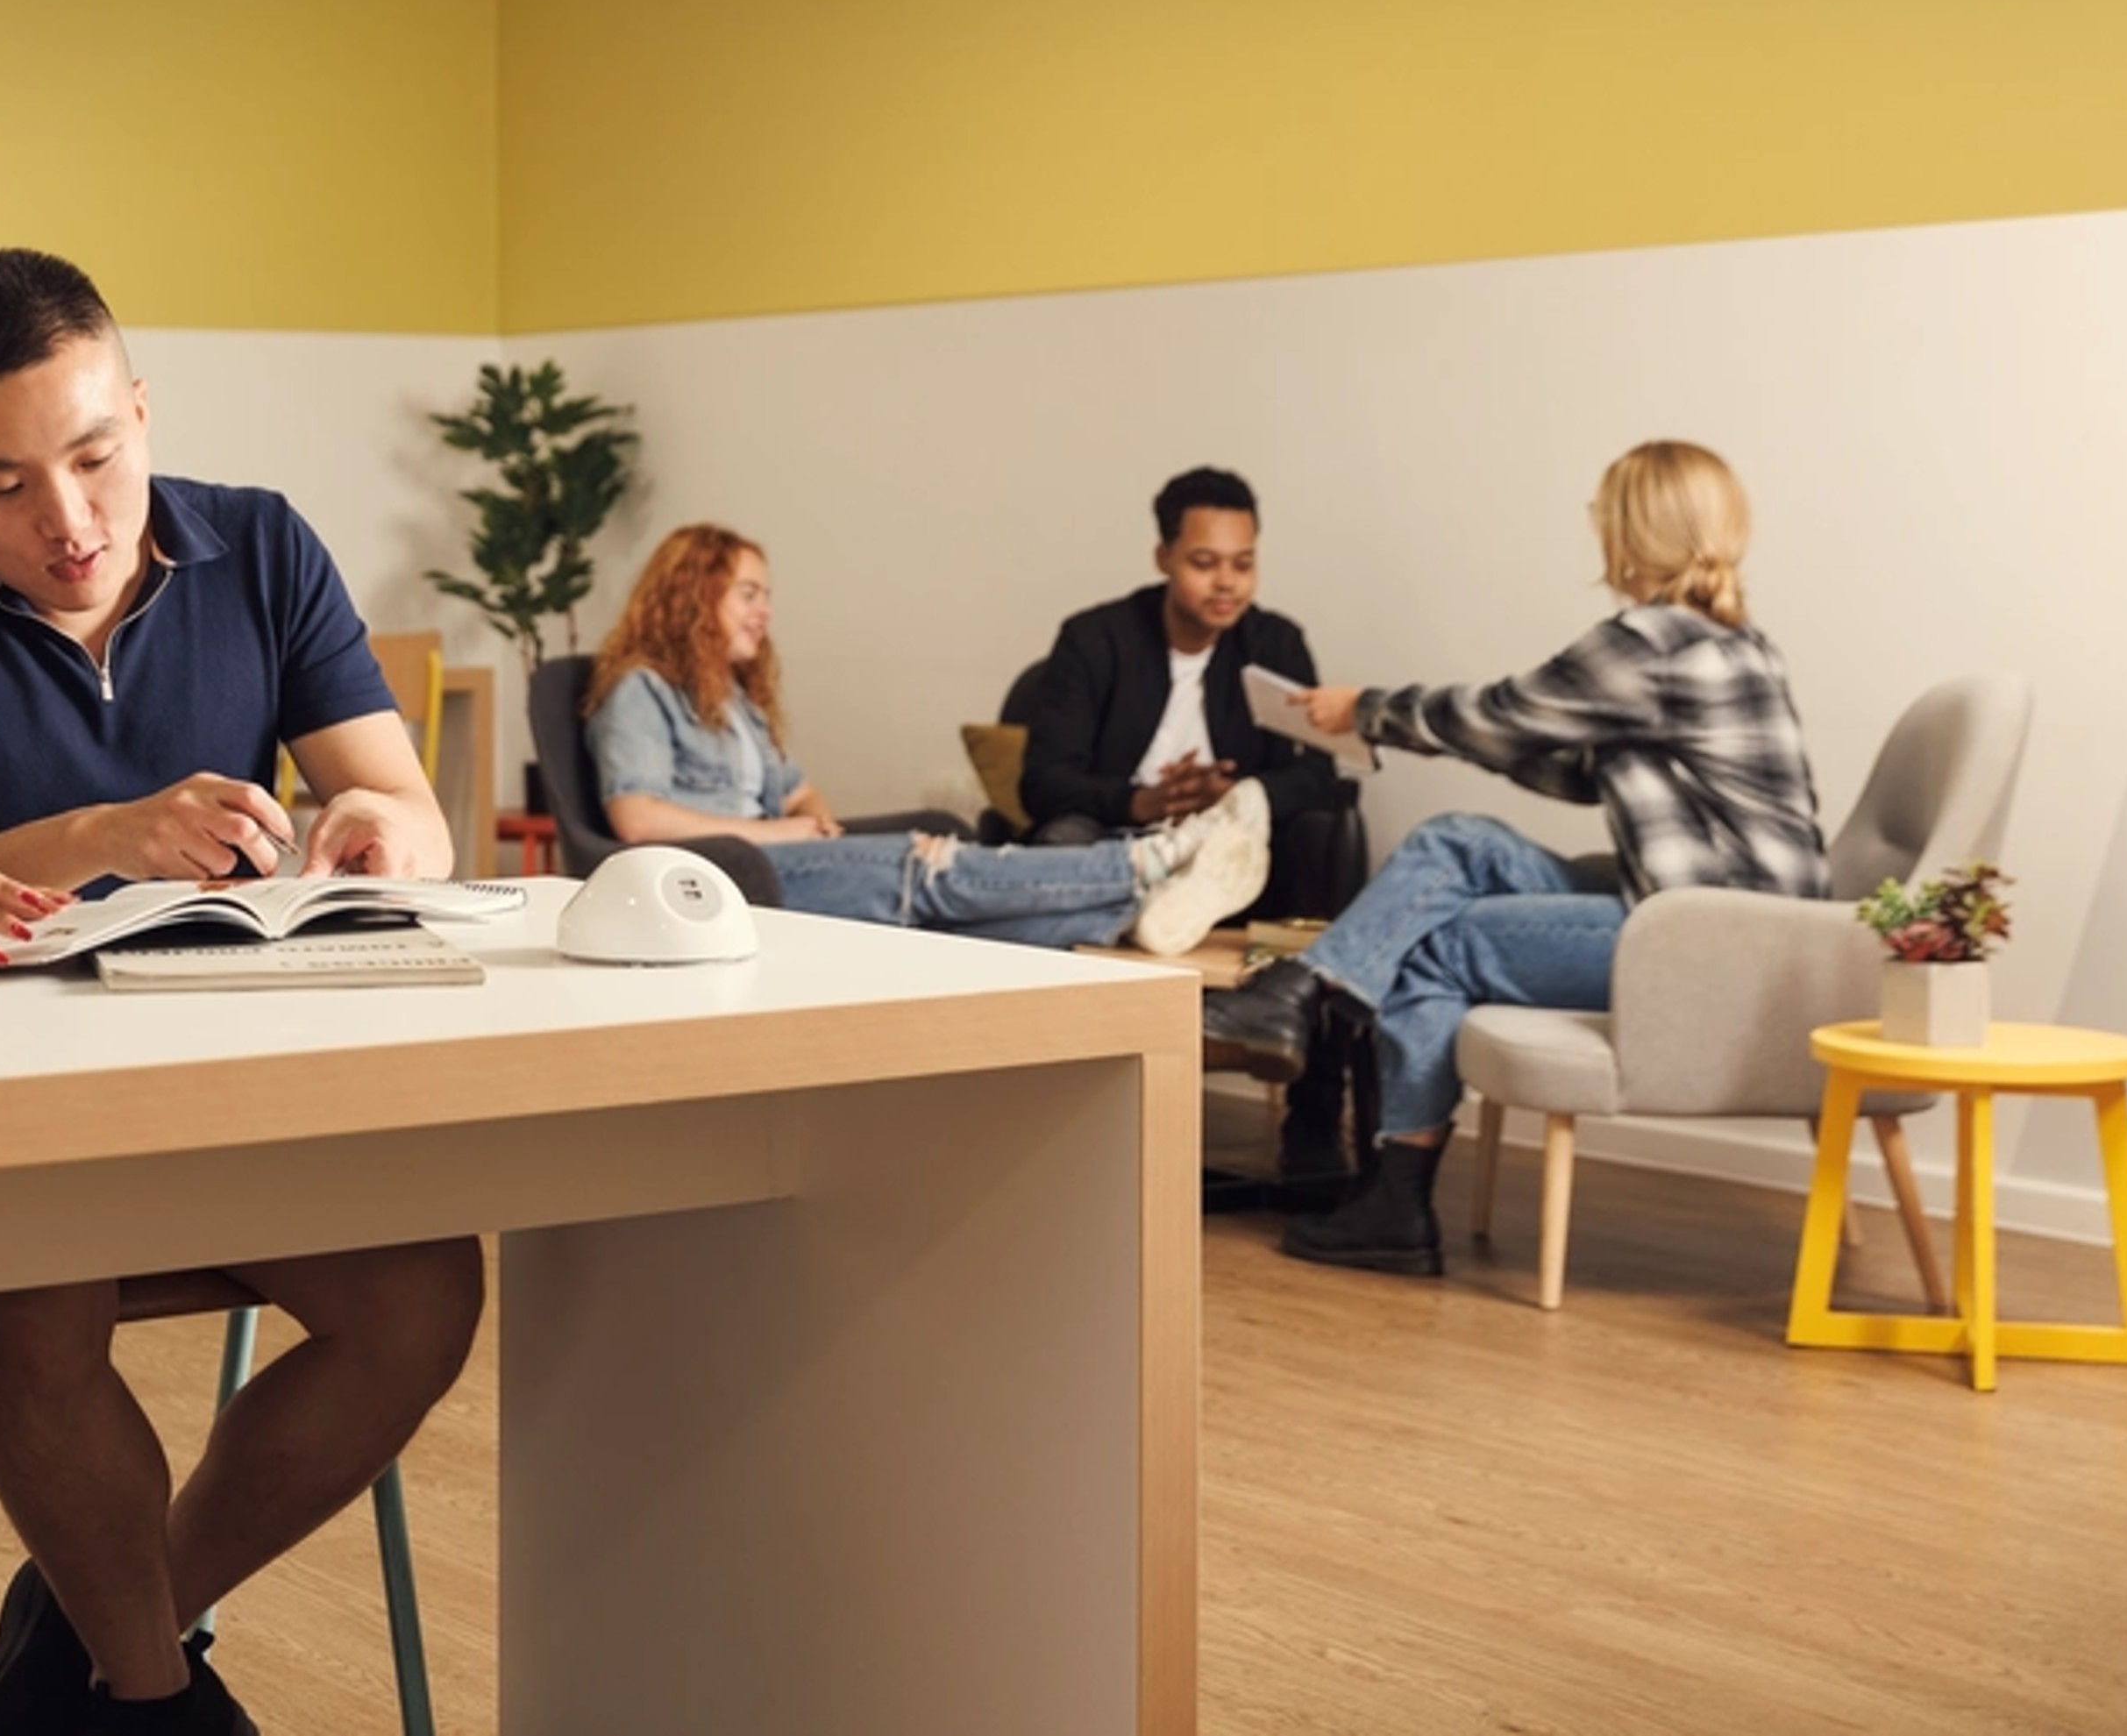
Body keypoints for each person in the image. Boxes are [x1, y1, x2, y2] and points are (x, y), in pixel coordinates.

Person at [0, 248, 479, 1736]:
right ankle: (152, 1699)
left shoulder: (263, 547)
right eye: (3, 484)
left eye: (99, 458)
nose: (72, 521)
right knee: (45, 1296)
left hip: (214, 1096)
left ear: (143, 413)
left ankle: (91, 1640)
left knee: (426, 1292)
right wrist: (107, 835)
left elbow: (403, 805)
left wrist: (376, 834)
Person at [1200, 440, 1828, 1278]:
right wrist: (1407, 734)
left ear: (1631, 531)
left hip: (1703, 940)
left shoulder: (1649, 641)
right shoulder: (1732, 641)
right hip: (1719, 918)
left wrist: (1369, 710)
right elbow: (1563, 759)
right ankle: (1305, 997)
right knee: (1460, 840)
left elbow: (1506, 713)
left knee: (1427, 938)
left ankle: (1390, 1186)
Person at [583, 524, 1270, 956]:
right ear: (692, 596)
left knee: (946, 916)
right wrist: (785, 836)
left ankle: (1136, 911)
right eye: (749, 593)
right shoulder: (641, 687)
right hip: (710, 879)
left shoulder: (733, 700)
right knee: (922, 866)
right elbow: (638, 821)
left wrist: (811, 819)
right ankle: (1152, 863)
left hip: (766, 861)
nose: (766, 611)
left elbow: (798, 791)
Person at [1016, 466, 1348, 872]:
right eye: (1205, 563)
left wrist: (1236, 796)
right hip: (1114, 839)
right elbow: (1043, 782)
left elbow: (1319, 776)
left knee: (1290, 844)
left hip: (1225, 844)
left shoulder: (1275, 644)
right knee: (1065, 841)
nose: (1227, 582)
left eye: (1243, 565)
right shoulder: (1094, 640)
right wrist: (1138, 802)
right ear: (1164, 558)